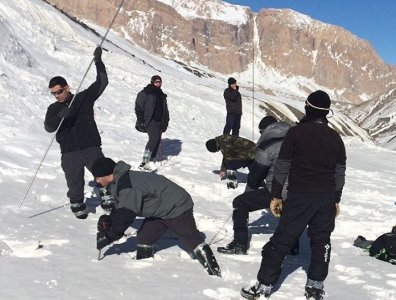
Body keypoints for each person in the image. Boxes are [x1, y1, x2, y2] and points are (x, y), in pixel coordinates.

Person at [241, 90, 347, 300]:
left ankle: (264, 286)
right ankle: (315, 286)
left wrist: (276, 195)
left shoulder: (296, 133)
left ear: (308, 107)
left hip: (300, 196)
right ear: (326, 112)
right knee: (322, 241)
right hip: (325, 197)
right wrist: (336, 199)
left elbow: (282, 167)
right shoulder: (335, 138)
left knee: (281, 241)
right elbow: (339, 173)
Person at [91, 157, 221, 277]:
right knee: (144, 239)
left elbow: (126, 214)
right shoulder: (118, 181)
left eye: (97, 177)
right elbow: (121, 206)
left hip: (176, 206)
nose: (96, 181)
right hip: (158, 210)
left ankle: (214, 273)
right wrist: (109, 221)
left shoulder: (126, 185)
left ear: (108, 175)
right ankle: (147, 275)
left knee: (190, 237)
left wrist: (109, 236)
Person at [44, 46, 108, 219]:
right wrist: (60, 116)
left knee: (103, 173)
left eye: (59, 91)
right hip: (69, 150)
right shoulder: (53, 108)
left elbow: (102, 83)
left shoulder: (82, 99)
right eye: (53, 93)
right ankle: (77, 203)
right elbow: (49, 127)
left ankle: (108, 198)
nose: (57, 96)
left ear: (67, 87)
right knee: (74, 181)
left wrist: (98, 61)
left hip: (90, 146)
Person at [217, 116, 295, 255]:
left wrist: (247, 196)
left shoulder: (267, 147)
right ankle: (292, 246)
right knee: (287, 210)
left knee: (240, 202)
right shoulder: (296, 140)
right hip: (299, 190)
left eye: (261, 132)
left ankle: (240, 244)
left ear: (266, 131)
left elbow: (255, 178)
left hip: (277, 189)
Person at [135, 75, 170, 170]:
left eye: (159, 82)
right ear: (152, 82)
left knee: (158, 140)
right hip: (150, 120)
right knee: (153, 139)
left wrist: (165, 122)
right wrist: (141, 120)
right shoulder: (145, 92)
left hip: (160, 121)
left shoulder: (162, 95)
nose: (158, 83)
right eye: (156, 82)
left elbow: (165, 110)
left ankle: (151, 160)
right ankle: (144, 161)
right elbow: (138, 107)